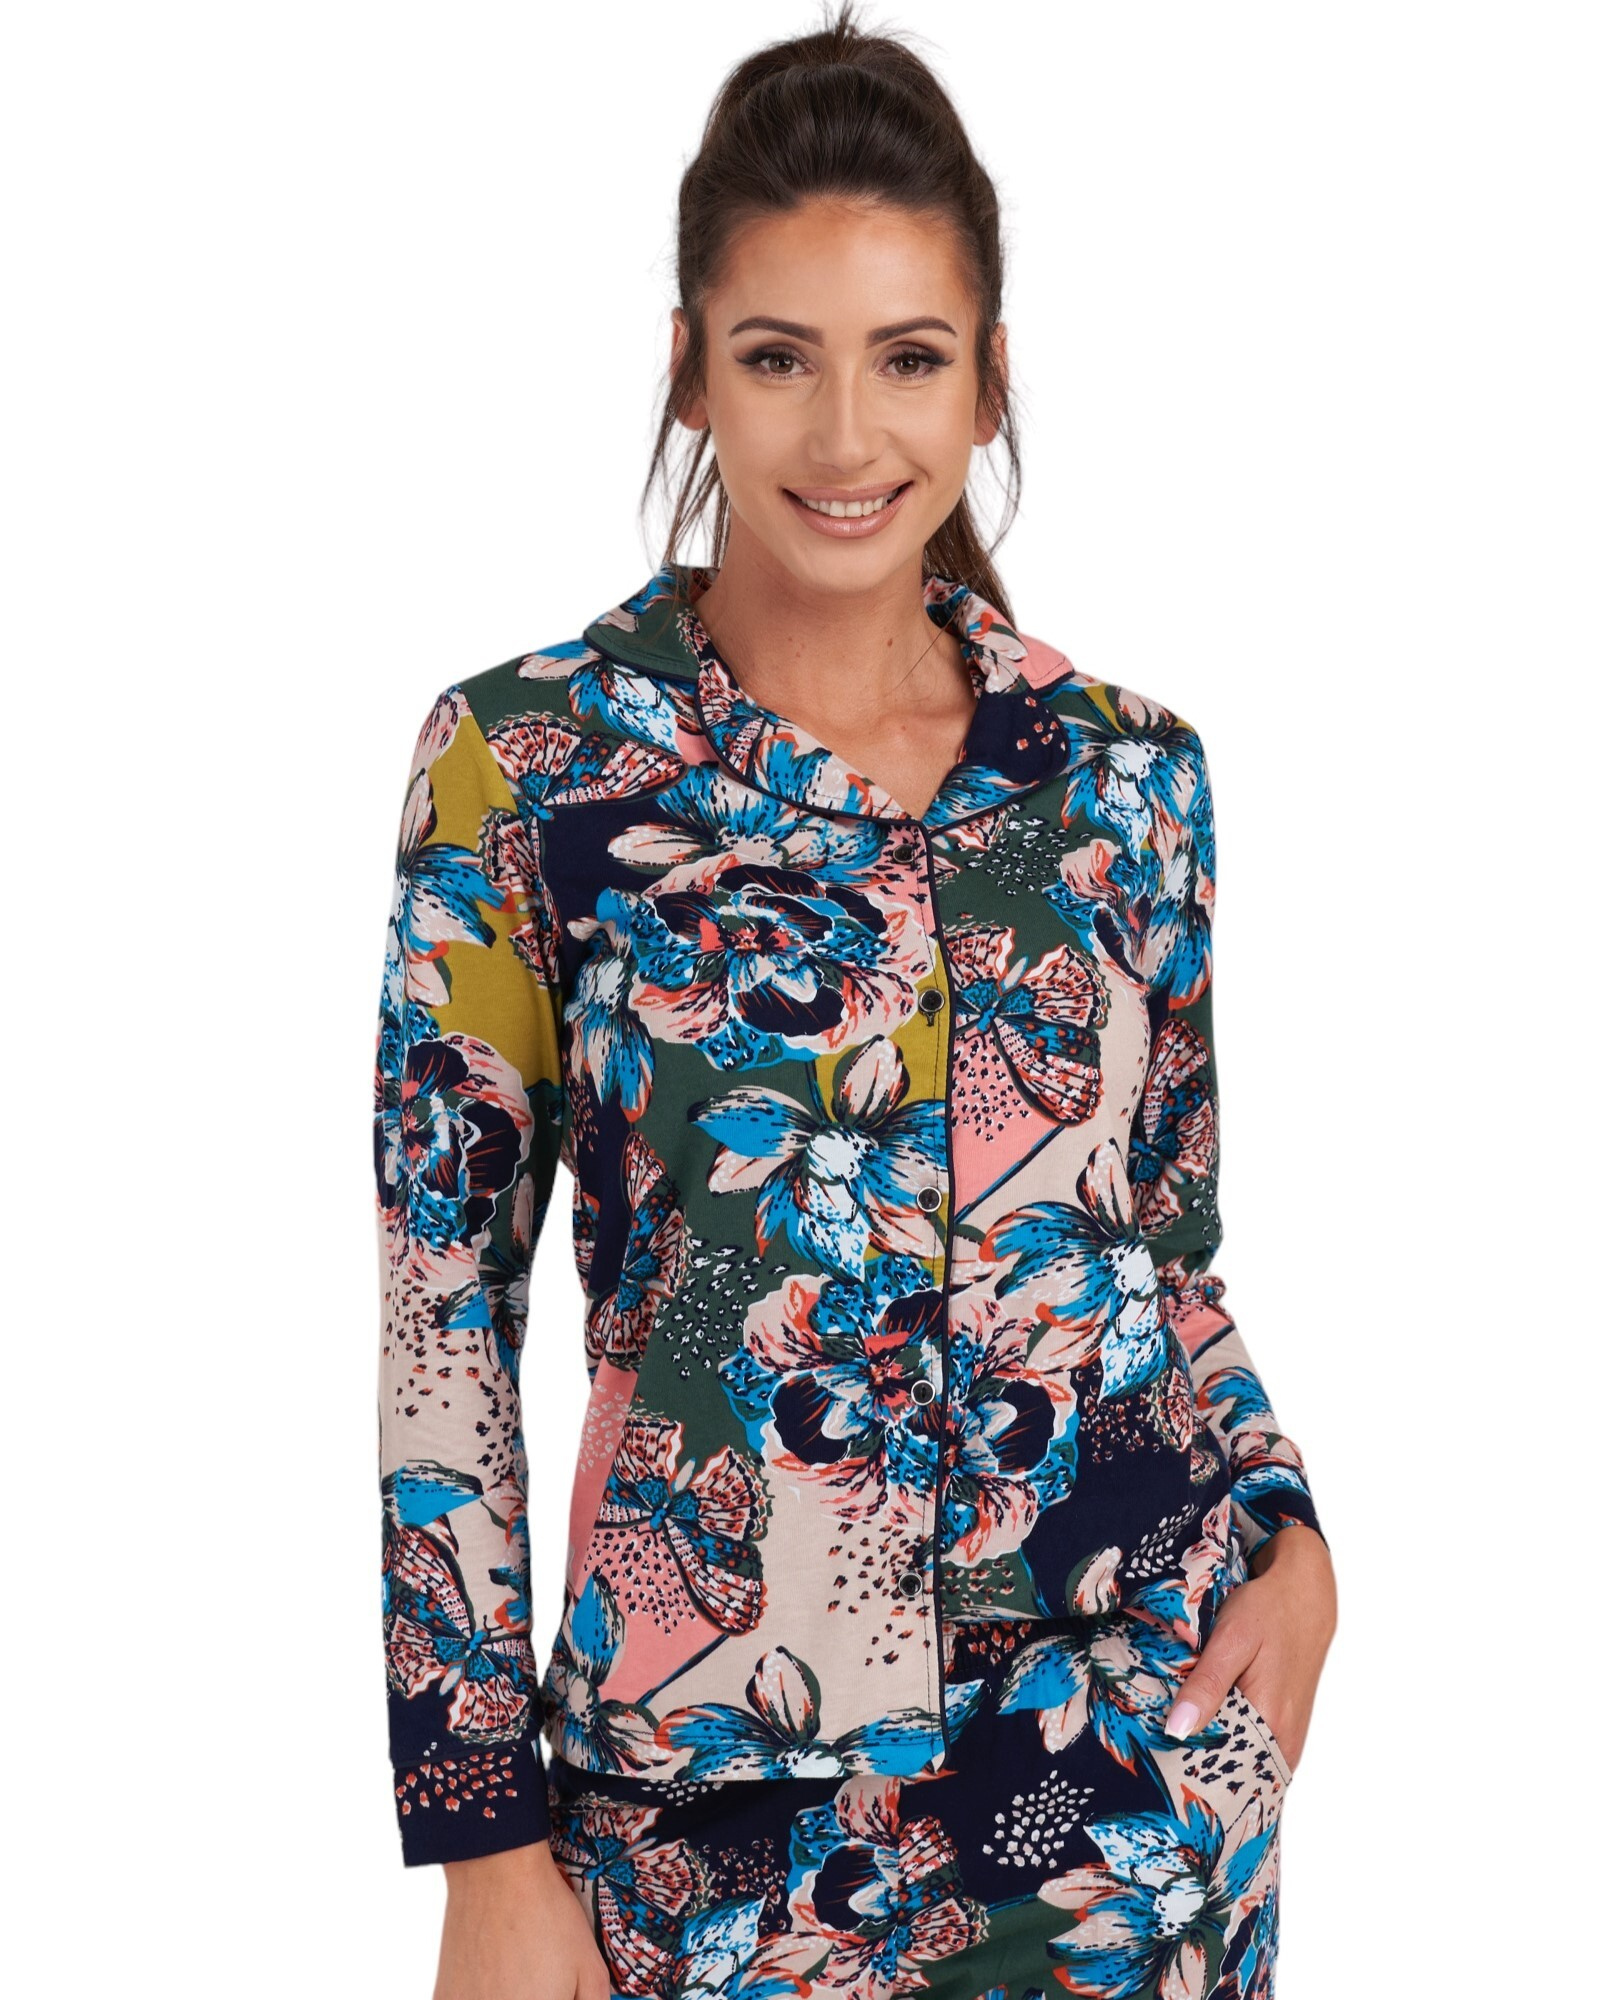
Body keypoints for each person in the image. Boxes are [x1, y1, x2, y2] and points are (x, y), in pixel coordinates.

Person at [372, 6, 1337, 1995]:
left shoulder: (1128, 778)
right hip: (700, 1839)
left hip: (1135, 1803)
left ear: (987, 380)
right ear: (686, 368)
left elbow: (1166, 1251)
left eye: (906, 358)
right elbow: (441, 1333)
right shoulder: (524, 770)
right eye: (775, 356)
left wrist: (1293, 1535)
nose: (842, 438)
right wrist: (482, 1846)